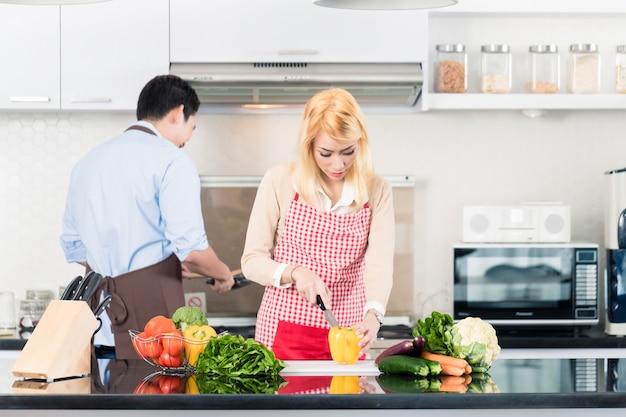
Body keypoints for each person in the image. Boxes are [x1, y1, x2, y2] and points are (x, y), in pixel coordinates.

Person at [60, 74, 234, 358]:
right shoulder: (172, 161)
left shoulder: (87, 162)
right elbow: (190, 250)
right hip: (153, 330)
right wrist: (222, 274)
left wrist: (136, 265)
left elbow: (73, 246)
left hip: (94, 323)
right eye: (193, 127)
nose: (188, 139)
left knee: (101, 397)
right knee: (156, 394)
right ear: (179, 113)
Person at [241, 88, 395, 360]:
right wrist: (296, 272)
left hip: (349, 336)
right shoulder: (280, 181)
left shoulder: (378, 190)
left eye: (348, 151)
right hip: (285, 334)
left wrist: (374, 315)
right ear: (308, 146)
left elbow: (380, 266)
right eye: (326, 153)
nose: (338, 164)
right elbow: (252, 261)